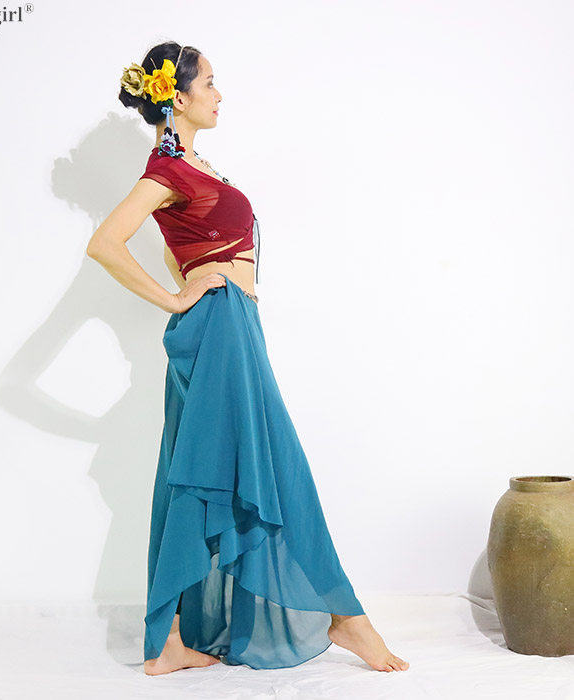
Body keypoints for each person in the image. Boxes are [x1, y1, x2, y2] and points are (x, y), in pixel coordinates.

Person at [86, 41, 410, 677]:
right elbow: (105, 243)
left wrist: (192, 291)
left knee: (197, 473)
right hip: (219, 328)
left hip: (229, 325)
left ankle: (169, 640)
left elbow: (173, 245)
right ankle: (345, 617)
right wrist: (177, 299)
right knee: (273, 464)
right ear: (177, 96)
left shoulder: (192, 167)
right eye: (209, 82)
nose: (219, 93)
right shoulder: (166, 170)